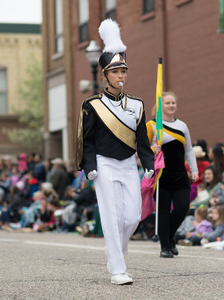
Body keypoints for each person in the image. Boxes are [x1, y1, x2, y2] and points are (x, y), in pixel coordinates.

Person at [76, 19, 154, 285]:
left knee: (132, 216)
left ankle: (116, 256)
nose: (121, 75)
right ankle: (117, 270)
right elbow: (86, 140)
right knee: (112, 217)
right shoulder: (92, 105)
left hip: (128, 164)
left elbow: (142, 140)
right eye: (115, 71)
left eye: (124, 71)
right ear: (105, 75)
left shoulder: (137, 105)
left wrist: (148, 162)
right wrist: (88, 166)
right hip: (104, 165)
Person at [147, 91, 198, 258]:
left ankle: (169, 236)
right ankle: (165, 247)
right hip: (161, 175)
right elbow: (139, 149)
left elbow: (189, 149)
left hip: (180, 173)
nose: (171, 106)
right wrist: (152, 149)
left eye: (173, 103)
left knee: (183, 207)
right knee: (162, 211)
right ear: (160, 106)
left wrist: (194, 170)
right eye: (167, 103)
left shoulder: (182, 125)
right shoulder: (153, 125)